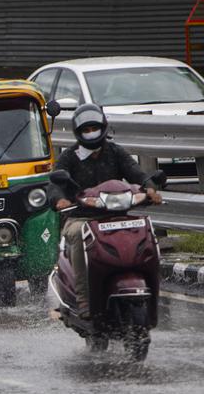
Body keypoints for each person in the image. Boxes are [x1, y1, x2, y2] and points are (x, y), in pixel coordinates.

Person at [49, 104, 162, 316]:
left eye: (95, 128)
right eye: (86, 129)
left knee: (146, 232)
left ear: (103, 128)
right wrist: (59, 200)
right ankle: (84, 301)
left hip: (117, 215)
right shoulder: (70, 156)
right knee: (77, 235)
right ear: (78, 132)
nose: (91, 133)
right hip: (81, 217)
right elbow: (55, 183)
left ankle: (152, 293)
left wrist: (150, 187)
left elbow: (136, 172)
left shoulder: (115, 152)